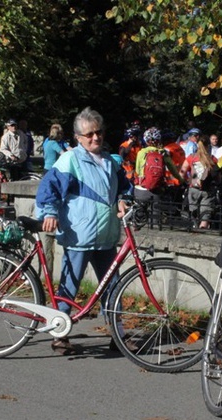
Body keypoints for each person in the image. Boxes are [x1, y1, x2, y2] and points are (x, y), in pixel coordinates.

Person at [35, 107, 132, 355]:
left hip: (106, 235)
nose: (95, 138)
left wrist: (122, 199)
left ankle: (118, 335)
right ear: (78, 137)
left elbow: (124, 187)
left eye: (98, 132)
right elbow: (49, 187)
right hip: (80, 234)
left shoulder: (110, 161)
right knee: (69, 285)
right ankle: (59, 333)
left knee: (113, 286)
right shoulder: (70, 159)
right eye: (89, 134)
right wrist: (49, 212)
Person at [133, 127, 184, 205]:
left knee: (140, 215)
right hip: (157, 189)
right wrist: (181, 180)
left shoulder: (141, 153)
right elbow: (173, 170)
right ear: (159, 140)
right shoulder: (163, 153)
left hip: (141, 189)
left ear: (146, 141)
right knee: (157, 215)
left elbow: (137, 171)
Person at [181, 134, 220, 229]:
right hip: (207, 190)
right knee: (205, 216)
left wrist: (187, 181)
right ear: (208, 145)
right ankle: (203, 229)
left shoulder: (191, 157)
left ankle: (194, 228)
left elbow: (182, 172)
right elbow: (218, 176)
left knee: (194, 214)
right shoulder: (212, 159)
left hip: (193, 189)